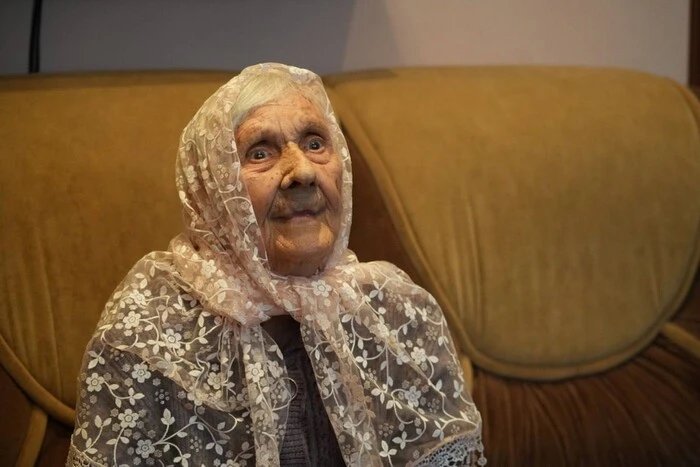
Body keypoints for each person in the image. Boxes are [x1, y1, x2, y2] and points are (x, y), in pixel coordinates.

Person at [67, 63, 485, 466]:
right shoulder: (148, 330)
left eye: (315, 144)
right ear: (213, 189)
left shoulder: (398, 312)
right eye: (260, 152)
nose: (302, 171)